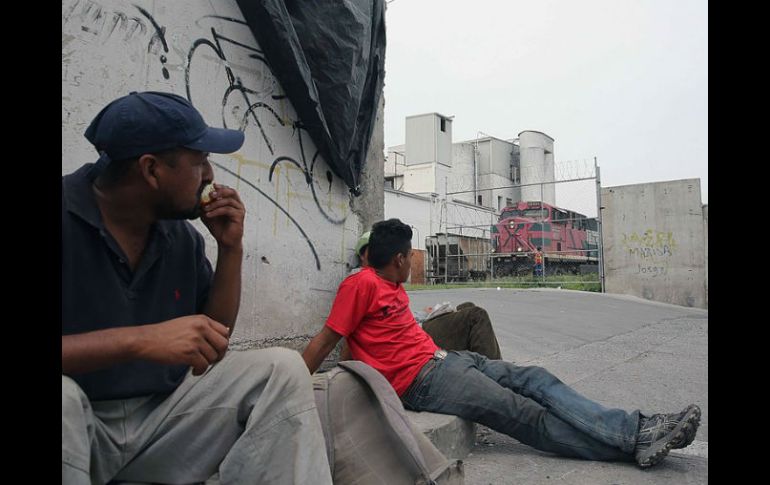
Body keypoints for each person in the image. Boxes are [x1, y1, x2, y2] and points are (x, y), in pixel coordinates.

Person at [62, 91, 331, 485]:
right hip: (79, 426)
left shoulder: (180, 238)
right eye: (200, 160)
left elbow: (212, 342)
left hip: (162, 422)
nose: (209, 175)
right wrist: (139, 341)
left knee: (283, 369)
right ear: (151, 170)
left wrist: (230, 248)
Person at [302, 218, 700, 469]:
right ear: (401, 259)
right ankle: (632, 442)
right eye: (410, 256)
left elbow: (371, 340)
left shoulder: (391, 286)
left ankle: (636, 428)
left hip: (446, 360)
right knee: (524, 414)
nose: (411, 262)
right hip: (424, 380)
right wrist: (296, 387)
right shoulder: (360, 284)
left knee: (534, 379)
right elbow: (327, 339)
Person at [352, 230, 502, 360]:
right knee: (476, 316)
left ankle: (481, 369)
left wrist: (424, 313)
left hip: (416, 327)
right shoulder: (361, 281)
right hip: (414, 337)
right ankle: (496, 374)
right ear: (363, 256)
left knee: (467, 306)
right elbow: (353, 333)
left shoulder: (385, 280)